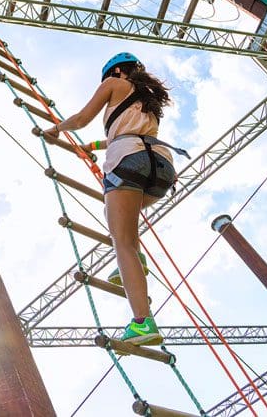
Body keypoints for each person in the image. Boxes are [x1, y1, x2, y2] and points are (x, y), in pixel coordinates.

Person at [43, 52, 187, 346]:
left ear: (118, 71)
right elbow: (126, 131)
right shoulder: (147, 100)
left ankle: (142, 322)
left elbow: (83, 118)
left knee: (121, 240)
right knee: (124, 227)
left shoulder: (113, 82)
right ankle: (136, 261)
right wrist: (94, 145)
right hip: (161, 168)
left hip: (129, 161)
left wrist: (57, 129)